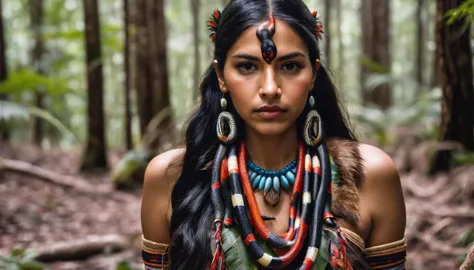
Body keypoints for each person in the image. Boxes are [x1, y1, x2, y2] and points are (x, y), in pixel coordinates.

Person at [140, 0, 406, 269]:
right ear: (221, 75)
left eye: (289, 66)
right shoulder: (170, 177)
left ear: (313, 73)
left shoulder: (371, 175)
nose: (269, 88)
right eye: (247, 66)